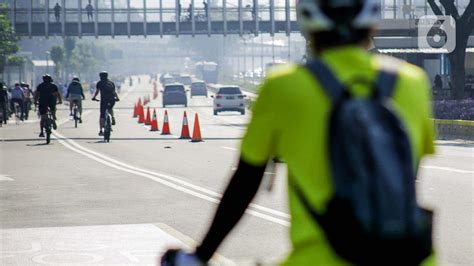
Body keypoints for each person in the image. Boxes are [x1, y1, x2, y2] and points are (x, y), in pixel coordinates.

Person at [160, 0, 436, 265]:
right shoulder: (412, 82)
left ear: (306, 19)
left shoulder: (284, 85)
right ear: (373, 21)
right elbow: (404, 176)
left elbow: (245, 183)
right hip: (409, 256)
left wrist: (200, 256)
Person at [92, 71, 120, 136]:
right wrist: (117, 98)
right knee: (110, 108)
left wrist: (94, 97)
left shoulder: (99, 83)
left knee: (102, 115)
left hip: (104, 100)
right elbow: (114, 92)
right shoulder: (111, 83)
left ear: (100, 76)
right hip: (112, 100)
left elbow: (97, 91)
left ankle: (101, 130)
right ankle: (112, 117)